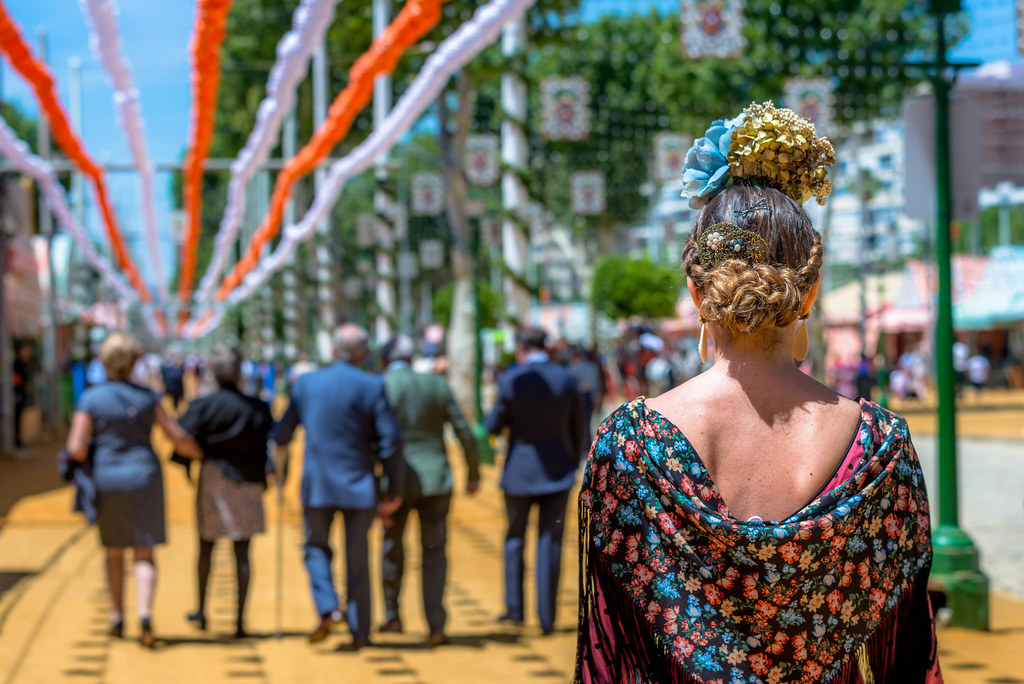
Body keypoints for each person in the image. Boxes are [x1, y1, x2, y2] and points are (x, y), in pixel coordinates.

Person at [575, 103, 940, 682]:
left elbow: (612, 654)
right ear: (810, 290)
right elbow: (910, 659)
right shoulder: (881, 448)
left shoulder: (631, 446)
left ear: (697, 293)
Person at [63, 332, 201, 648]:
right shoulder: (147, 397)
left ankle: (116, 617)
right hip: (145, 477)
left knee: (113, 552)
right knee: (144, 551)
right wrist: (202, 454)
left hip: (108, 478)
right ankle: (144, 615)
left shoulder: (91, 399)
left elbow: (77, 448)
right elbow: (175, 436)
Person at [274, 324, 405, 649]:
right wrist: (393, 486)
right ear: (364, 354)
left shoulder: (307, 383)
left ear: (333, 351)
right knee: (358, 558)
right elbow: (390, 441)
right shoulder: (372, 385)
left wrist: (276, 465)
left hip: (317, 484)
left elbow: (282, 434)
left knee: (315, 547)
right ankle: (361, 632)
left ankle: (329, 607)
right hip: (359, 485)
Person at [378, 335, 480, 646]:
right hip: (437, 480)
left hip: (395, 483)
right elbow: (465, 430)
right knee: (434, 554)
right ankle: (436, 624)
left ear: (386, 359)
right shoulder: (436, 384)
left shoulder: (380, 385)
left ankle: (392, 616)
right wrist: (473, 473)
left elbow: (371, 439)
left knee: (392, 549)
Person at [486, 327, 588, 635]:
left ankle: (515, 611)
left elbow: (493, 424)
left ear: (520, 348)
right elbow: (580, 428)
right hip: (557, 473)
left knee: (514, 538)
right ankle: (547, 617)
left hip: (518, 472)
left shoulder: (510, 380)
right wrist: (572, 462)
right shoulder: (567, 378)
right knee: (550, 542)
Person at [175, 346, 274, 639]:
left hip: (214, 480)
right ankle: (240, 621)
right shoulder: (258, 407)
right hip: (248, 482)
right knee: (242, 552)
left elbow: (182, 440)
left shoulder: (203, 406)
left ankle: (202, 611)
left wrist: (196, 458)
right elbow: (270, 443)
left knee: (207, 546)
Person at [12, 342, 33, 448]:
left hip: (21, 393)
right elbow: (15, 379)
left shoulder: (25, 362)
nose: (29, 352)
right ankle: (16, 441)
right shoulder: (17, 362)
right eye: (26, 350)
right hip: (17, 393)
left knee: (19, 418)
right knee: (16, 417)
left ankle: (18, 440)